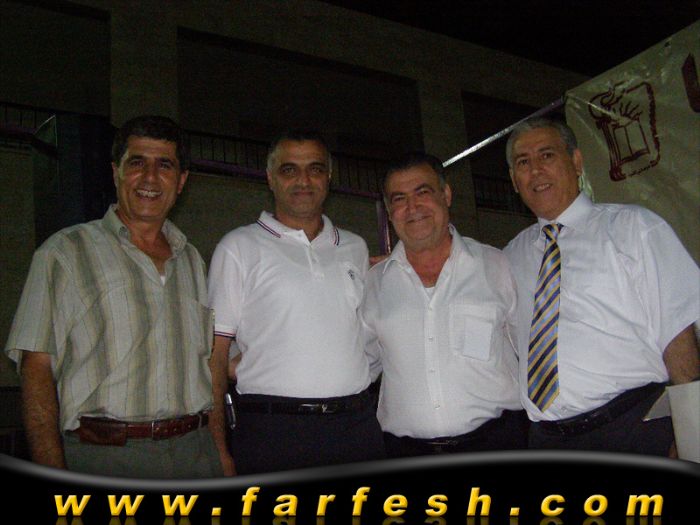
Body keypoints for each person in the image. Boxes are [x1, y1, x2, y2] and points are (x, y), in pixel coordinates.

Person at [4, 115, 234, 477]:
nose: (150, 177)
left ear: (181, 181)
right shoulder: (64, 254)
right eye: (137, 162)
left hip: (195, 454)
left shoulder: (192, 261)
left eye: (165, 165)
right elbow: (36, 370)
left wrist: (219, 453)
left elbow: (209, 365)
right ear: (116, 172)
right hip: (106, 459)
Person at [503, 117, 700, 454]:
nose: (535, 170)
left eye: (547, 155)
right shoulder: (510, 256)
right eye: (523, 162)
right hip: (548, 440)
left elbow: (678, 331)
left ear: (576, 161)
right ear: (513, 180)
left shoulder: (634, 228)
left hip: (635, 427)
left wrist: (691, 433)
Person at [207, 130, 385, 474]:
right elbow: (215, 357)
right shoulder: (238, 247)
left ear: (329, 177)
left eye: (315, 169)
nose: (304, 181)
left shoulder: (354, 248)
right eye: (289, 170)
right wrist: (219, 450)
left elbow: (366, 334)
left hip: (356, 429)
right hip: (273, 434)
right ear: (270, 178)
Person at [361, 153, 528, 458]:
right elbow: (359, 367)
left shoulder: (497, 265)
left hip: (498, 444)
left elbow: (530, 349)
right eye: (399, 199)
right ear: (389, 211)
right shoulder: (373, 284)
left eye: (422, 192)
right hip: (406, 454)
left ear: (446, 195)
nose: (412, 207)